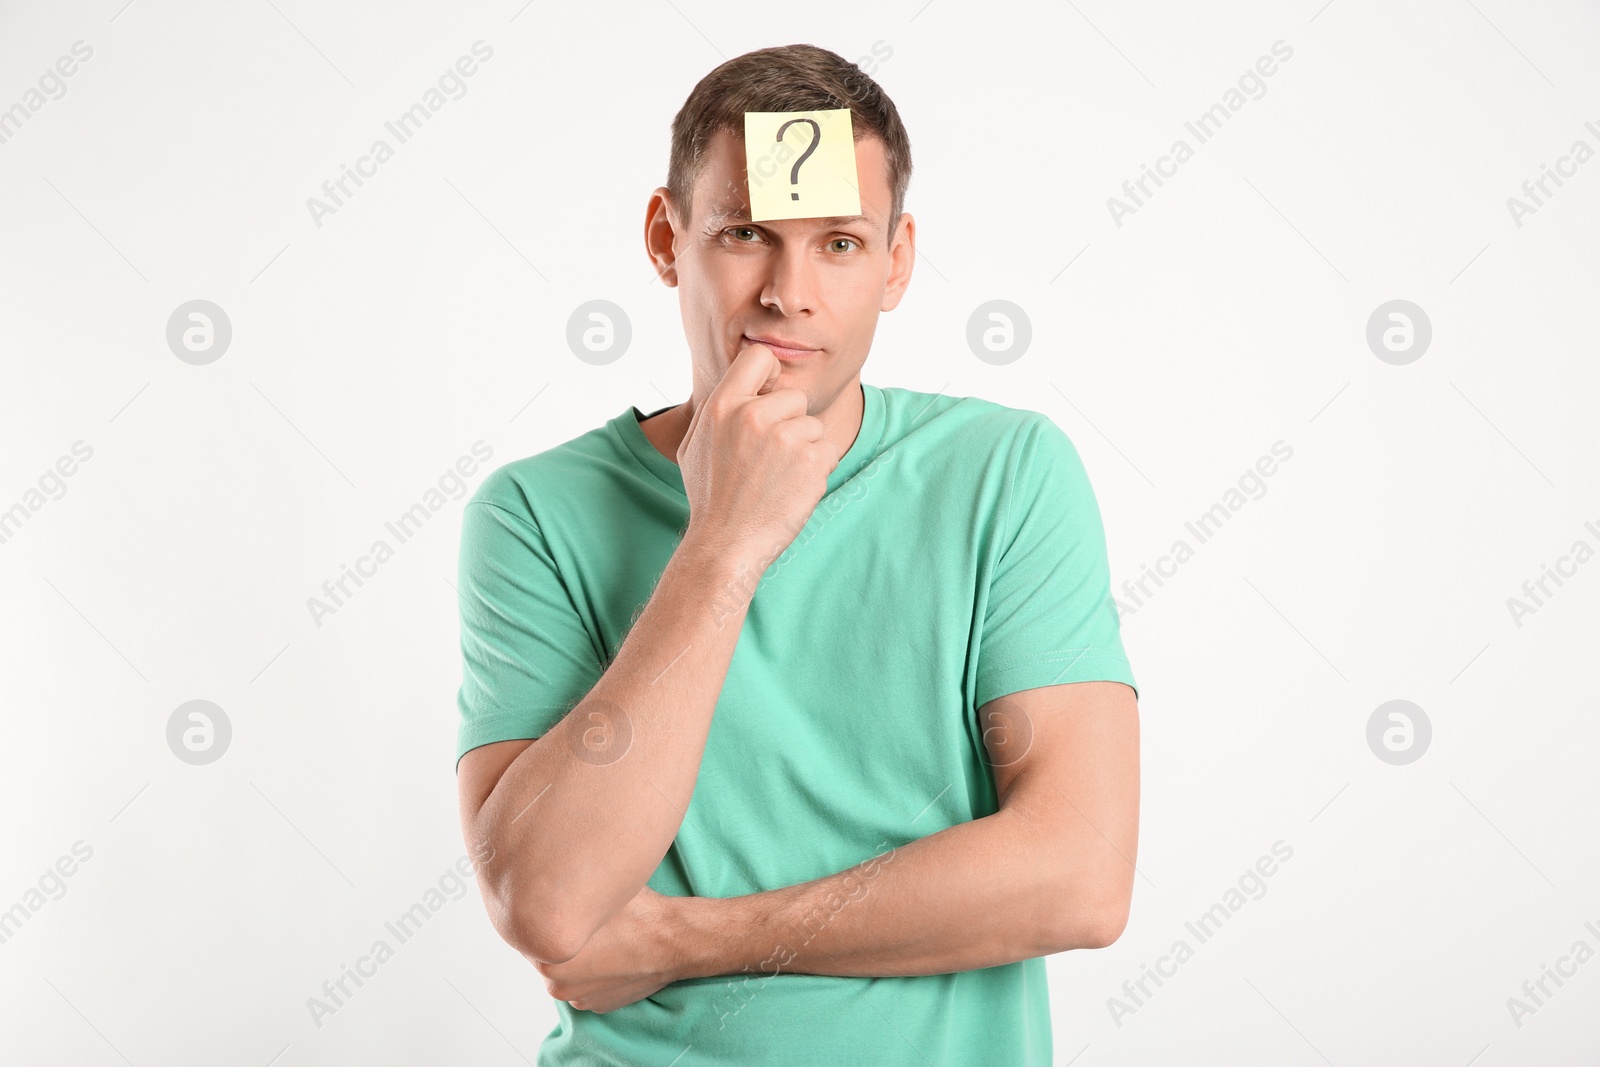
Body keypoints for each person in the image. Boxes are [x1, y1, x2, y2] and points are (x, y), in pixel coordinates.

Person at [454, 42, 1140, 1066]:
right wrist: (723, 545)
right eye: (744, 233)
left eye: (839, 244)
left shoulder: (1003, 473)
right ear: (664, 236)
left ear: (897, 259)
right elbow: (548, 902)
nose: (789, 292)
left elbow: (1078, 876)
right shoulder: (536, 511)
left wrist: (691, 938)